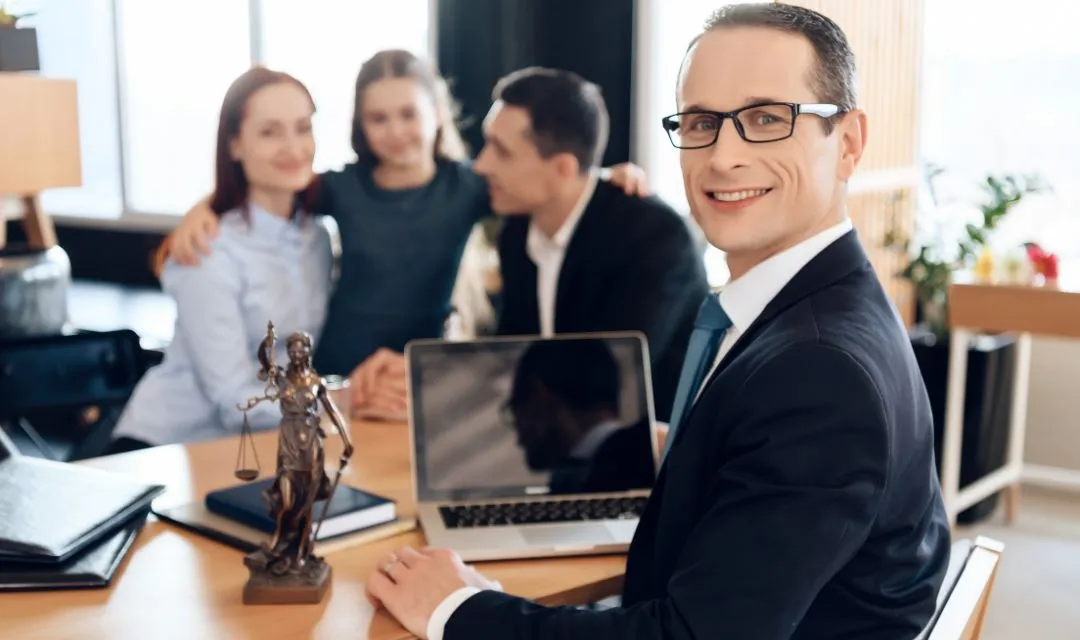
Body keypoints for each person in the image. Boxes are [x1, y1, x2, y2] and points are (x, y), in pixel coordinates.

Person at [363, 4, 952, 639]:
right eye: (702, 122)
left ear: (850, 143)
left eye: (765, 119)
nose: (723, 157)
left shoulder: (819, 371)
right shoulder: (814, 306)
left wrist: (459, 610)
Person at [164, 50, 649, 419]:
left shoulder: (468, 187)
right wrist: (204, 206)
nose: (395, 131)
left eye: (408, 115)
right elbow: (268, 185)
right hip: (339, 371)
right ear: (361, 124)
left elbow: (541, 179)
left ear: (436, 113)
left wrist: (609, 176)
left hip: (415, 374)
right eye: (379, 118)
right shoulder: (341, 188)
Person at [359, 66, 710, 423]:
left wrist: (437, 382)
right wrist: (421, 374)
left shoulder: (655, 239)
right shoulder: (519, 229)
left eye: (501, 151)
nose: (481, 165)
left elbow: (601, 381)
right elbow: (511, 353)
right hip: (549, 443)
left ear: (561, 169)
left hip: (647, 457)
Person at [108, 67, 334, 451]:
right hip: (165, 450)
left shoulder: (319, 237)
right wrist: (336, 404)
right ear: (234, 145)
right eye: (269, 132)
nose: (294, 147)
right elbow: (233, 400)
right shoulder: (208, 248)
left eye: (303, 127)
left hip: (263, 445)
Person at [503, 339, 654, 495]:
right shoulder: (656, 452)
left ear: (539, 396)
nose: (519, 441)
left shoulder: (583, 483)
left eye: (515, 411)